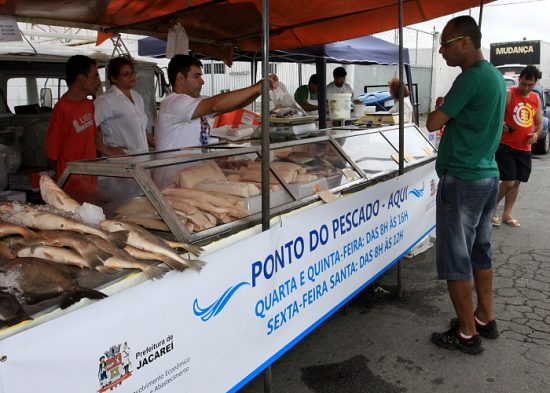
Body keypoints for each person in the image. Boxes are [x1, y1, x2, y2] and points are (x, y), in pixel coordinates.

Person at [426, 15, 506, 354]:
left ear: (465, 42)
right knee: (479, 252)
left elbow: (432, 122)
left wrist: (442, 107)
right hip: (487, 175)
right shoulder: (495, 76)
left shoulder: (469, 79)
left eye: (445, 44)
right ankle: (485, 317)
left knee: (457, 259)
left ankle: (467, 334)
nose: (442, 51)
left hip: (462, 180)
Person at [155, 54, 278, 151]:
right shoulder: (174, 103)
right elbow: (215, 105)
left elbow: (236, 104)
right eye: (196, 76)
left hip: (193, 172)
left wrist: (259, 90)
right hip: (171, 177)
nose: (202, 82)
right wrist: (256, 88)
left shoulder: (196, 102)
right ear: (180, 78)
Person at [45, 55, 105, 201]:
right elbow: (52, 155)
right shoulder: (62, 109)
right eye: (95, 75)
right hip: (72, 187)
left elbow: (93, 138)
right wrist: (66, 178)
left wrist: (109, 150)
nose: (99, 81)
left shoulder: (88, 105)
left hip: (90, 181)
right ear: (81, 78)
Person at [492, 65, 543, 228]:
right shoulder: (509, 94)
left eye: (530, 85)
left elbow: (539, 123)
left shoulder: (536, 99)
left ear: (535, 83)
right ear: (519, 79)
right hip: (506, 145)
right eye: (524, 83)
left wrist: (536, 134)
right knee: (508, 181)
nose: (526, 88)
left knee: (517, 182)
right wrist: (501, 123)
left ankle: (507, 213)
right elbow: (494, 115)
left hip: (525, 148)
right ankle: (491, 210)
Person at [94, 56, 155, 156]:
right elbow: (88, 128)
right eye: (126, 74)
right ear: (114, 78)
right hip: (121, 163)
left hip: (142, 160)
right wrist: (106, 150)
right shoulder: (106, 100)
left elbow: (141, 129)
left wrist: (159, 144)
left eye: (132, 73)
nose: (131, 77)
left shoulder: (137, 96)